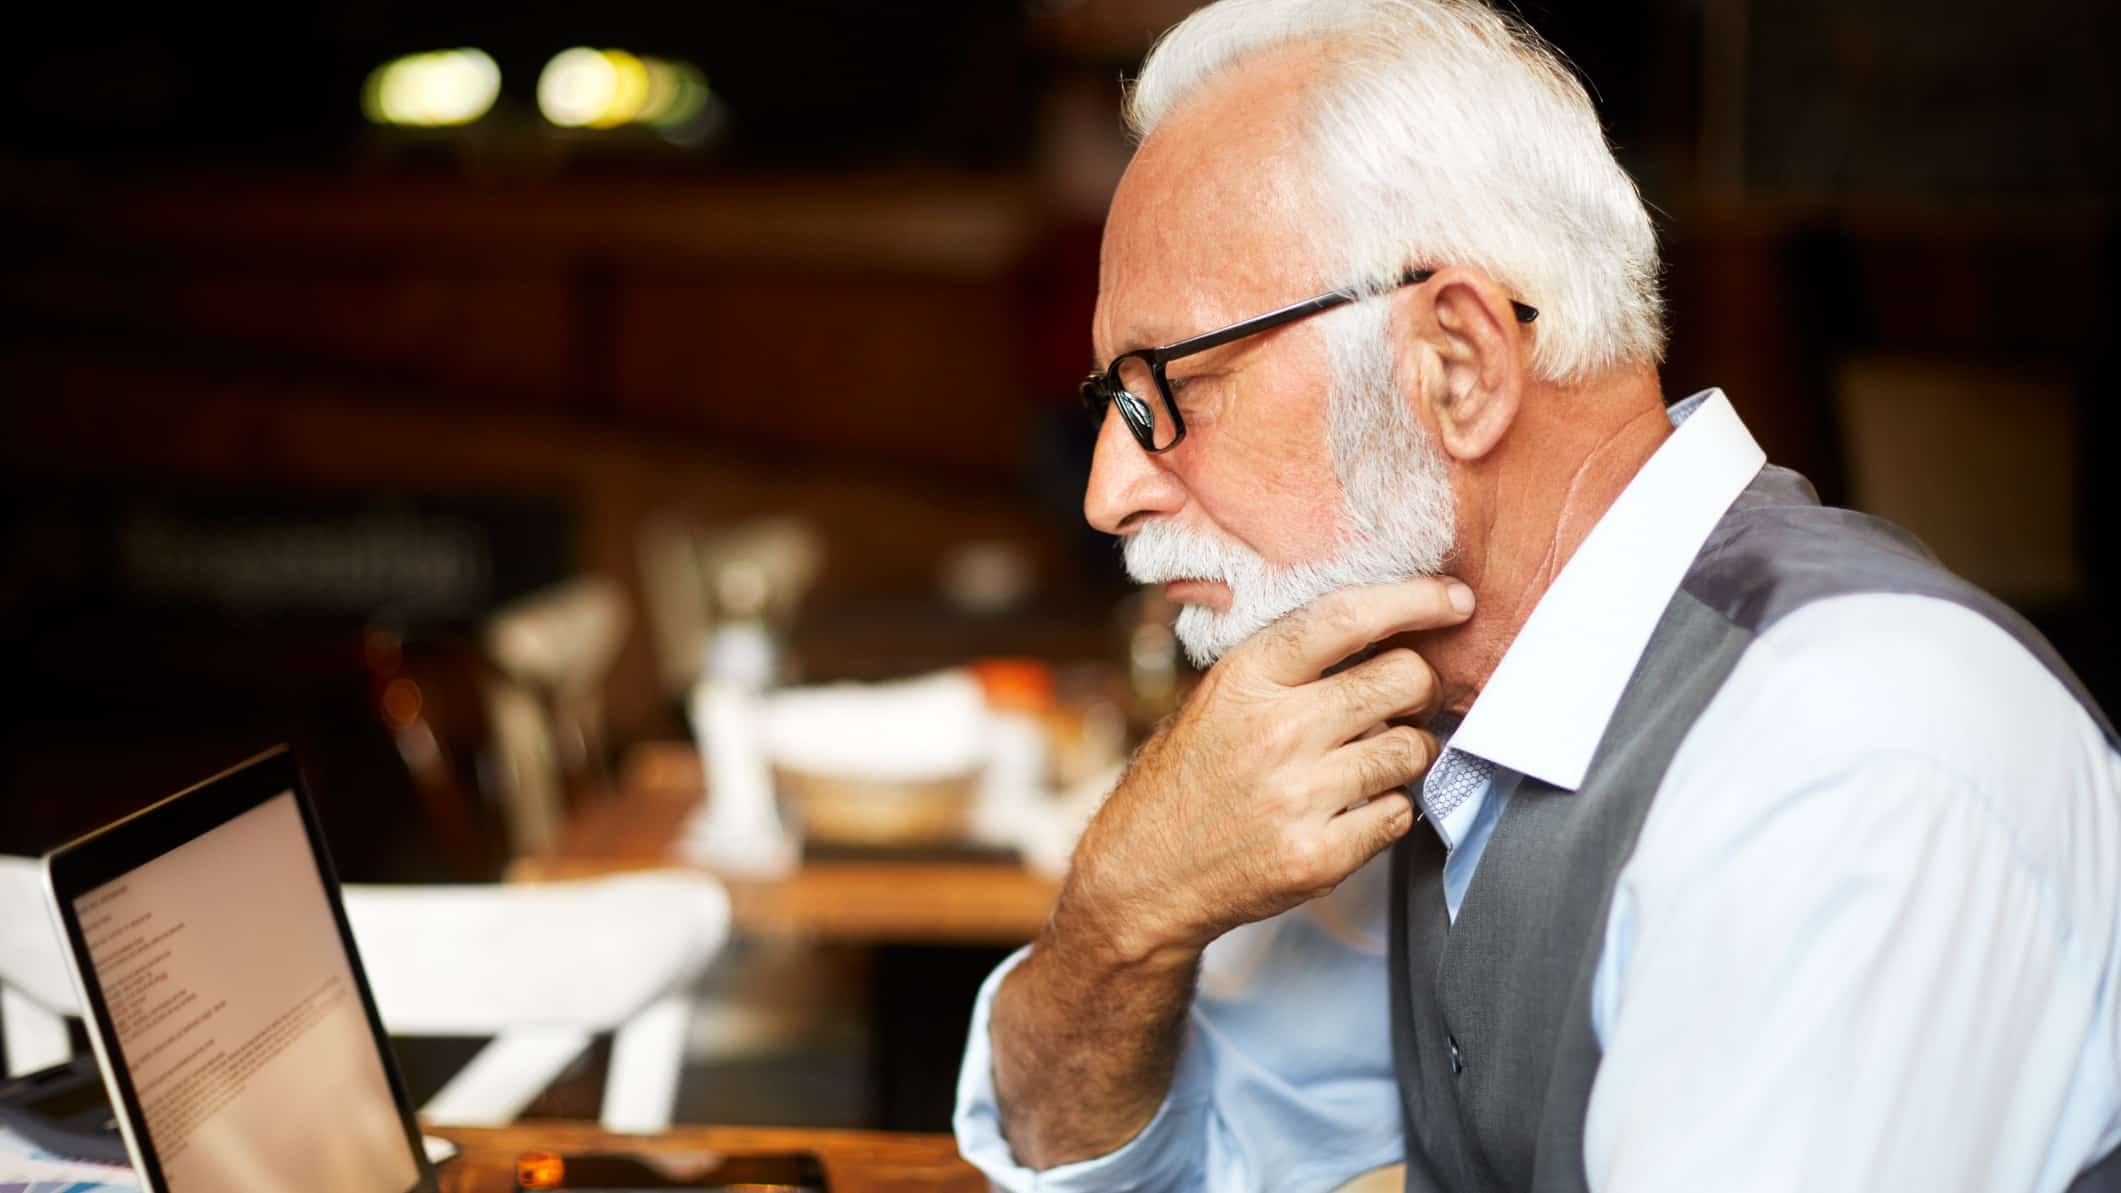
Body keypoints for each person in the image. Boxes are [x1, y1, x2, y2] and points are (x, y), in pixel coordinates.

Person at [952, 0, 2121, 1190]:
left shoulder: (1843, 754)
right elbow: (1162, 1161)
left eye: (1167, 387)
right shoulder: (1443, 714)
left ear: (1456, 364)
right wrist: (1118, 917)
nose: (1109, 491)